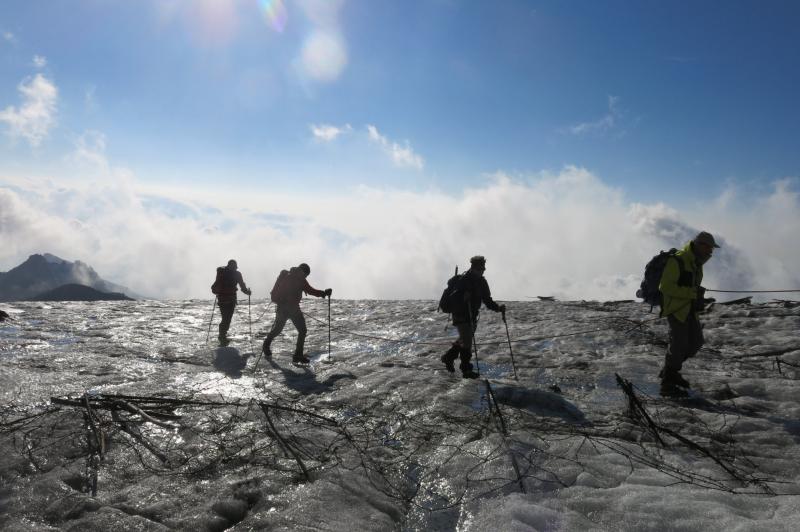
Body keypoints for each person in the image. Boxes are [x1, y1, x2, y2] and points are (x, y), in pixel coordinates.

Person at [658, 231, 719, 396]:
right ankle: (668, 384)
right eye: (709, 248)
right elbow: (665, 287)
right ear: (700, 245)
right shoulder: (677, 260)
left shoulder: (696, 263)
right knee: (679, 345)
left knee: (696, 343)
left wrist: (695, 295)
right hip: (676, 309)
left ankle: (669, 371)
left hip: (689, 309)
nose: (711, 252)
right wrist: (692, 293)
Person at [440, 256, 506, 379]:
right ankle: (466, 370)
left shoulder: (482, 282)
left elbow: (487, 299)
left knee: (465, 339)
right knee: (467, 341)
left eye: (483, 268)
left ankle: (448, 357)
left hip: (472, 315)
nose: (482, 271)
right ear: (473, 267)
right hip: (460, 314)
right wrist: (464, 298)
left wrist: (498, 308)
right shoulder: (464, 280)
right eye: (480, 268)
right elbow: (454, 299)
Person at [262, 263, 332, 364]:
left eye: (306, 275)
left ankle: (297, 355)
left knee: (300, 330)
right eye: (305, 274)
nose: (305, 276)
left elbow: (310, 290)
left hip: (290, 309)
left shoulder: (299, 279)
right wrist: (323, 293)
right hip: (286, 309)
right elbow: (310, 290)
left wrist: (323, 293)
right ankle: (267, 345)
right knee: (280, 329)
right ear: (301, 270)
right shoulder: (289, 277)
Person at [212, 260, 251, 346]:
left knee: (225, 318)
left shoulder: (221, 272)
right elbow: (242, 286)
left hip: (222, 299)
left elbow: (216, 285)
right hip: (231, 299)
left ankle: (222, 336)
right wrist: (247, 292)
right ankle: (222, 337)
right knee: (227, 319)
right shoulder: (237, 274)